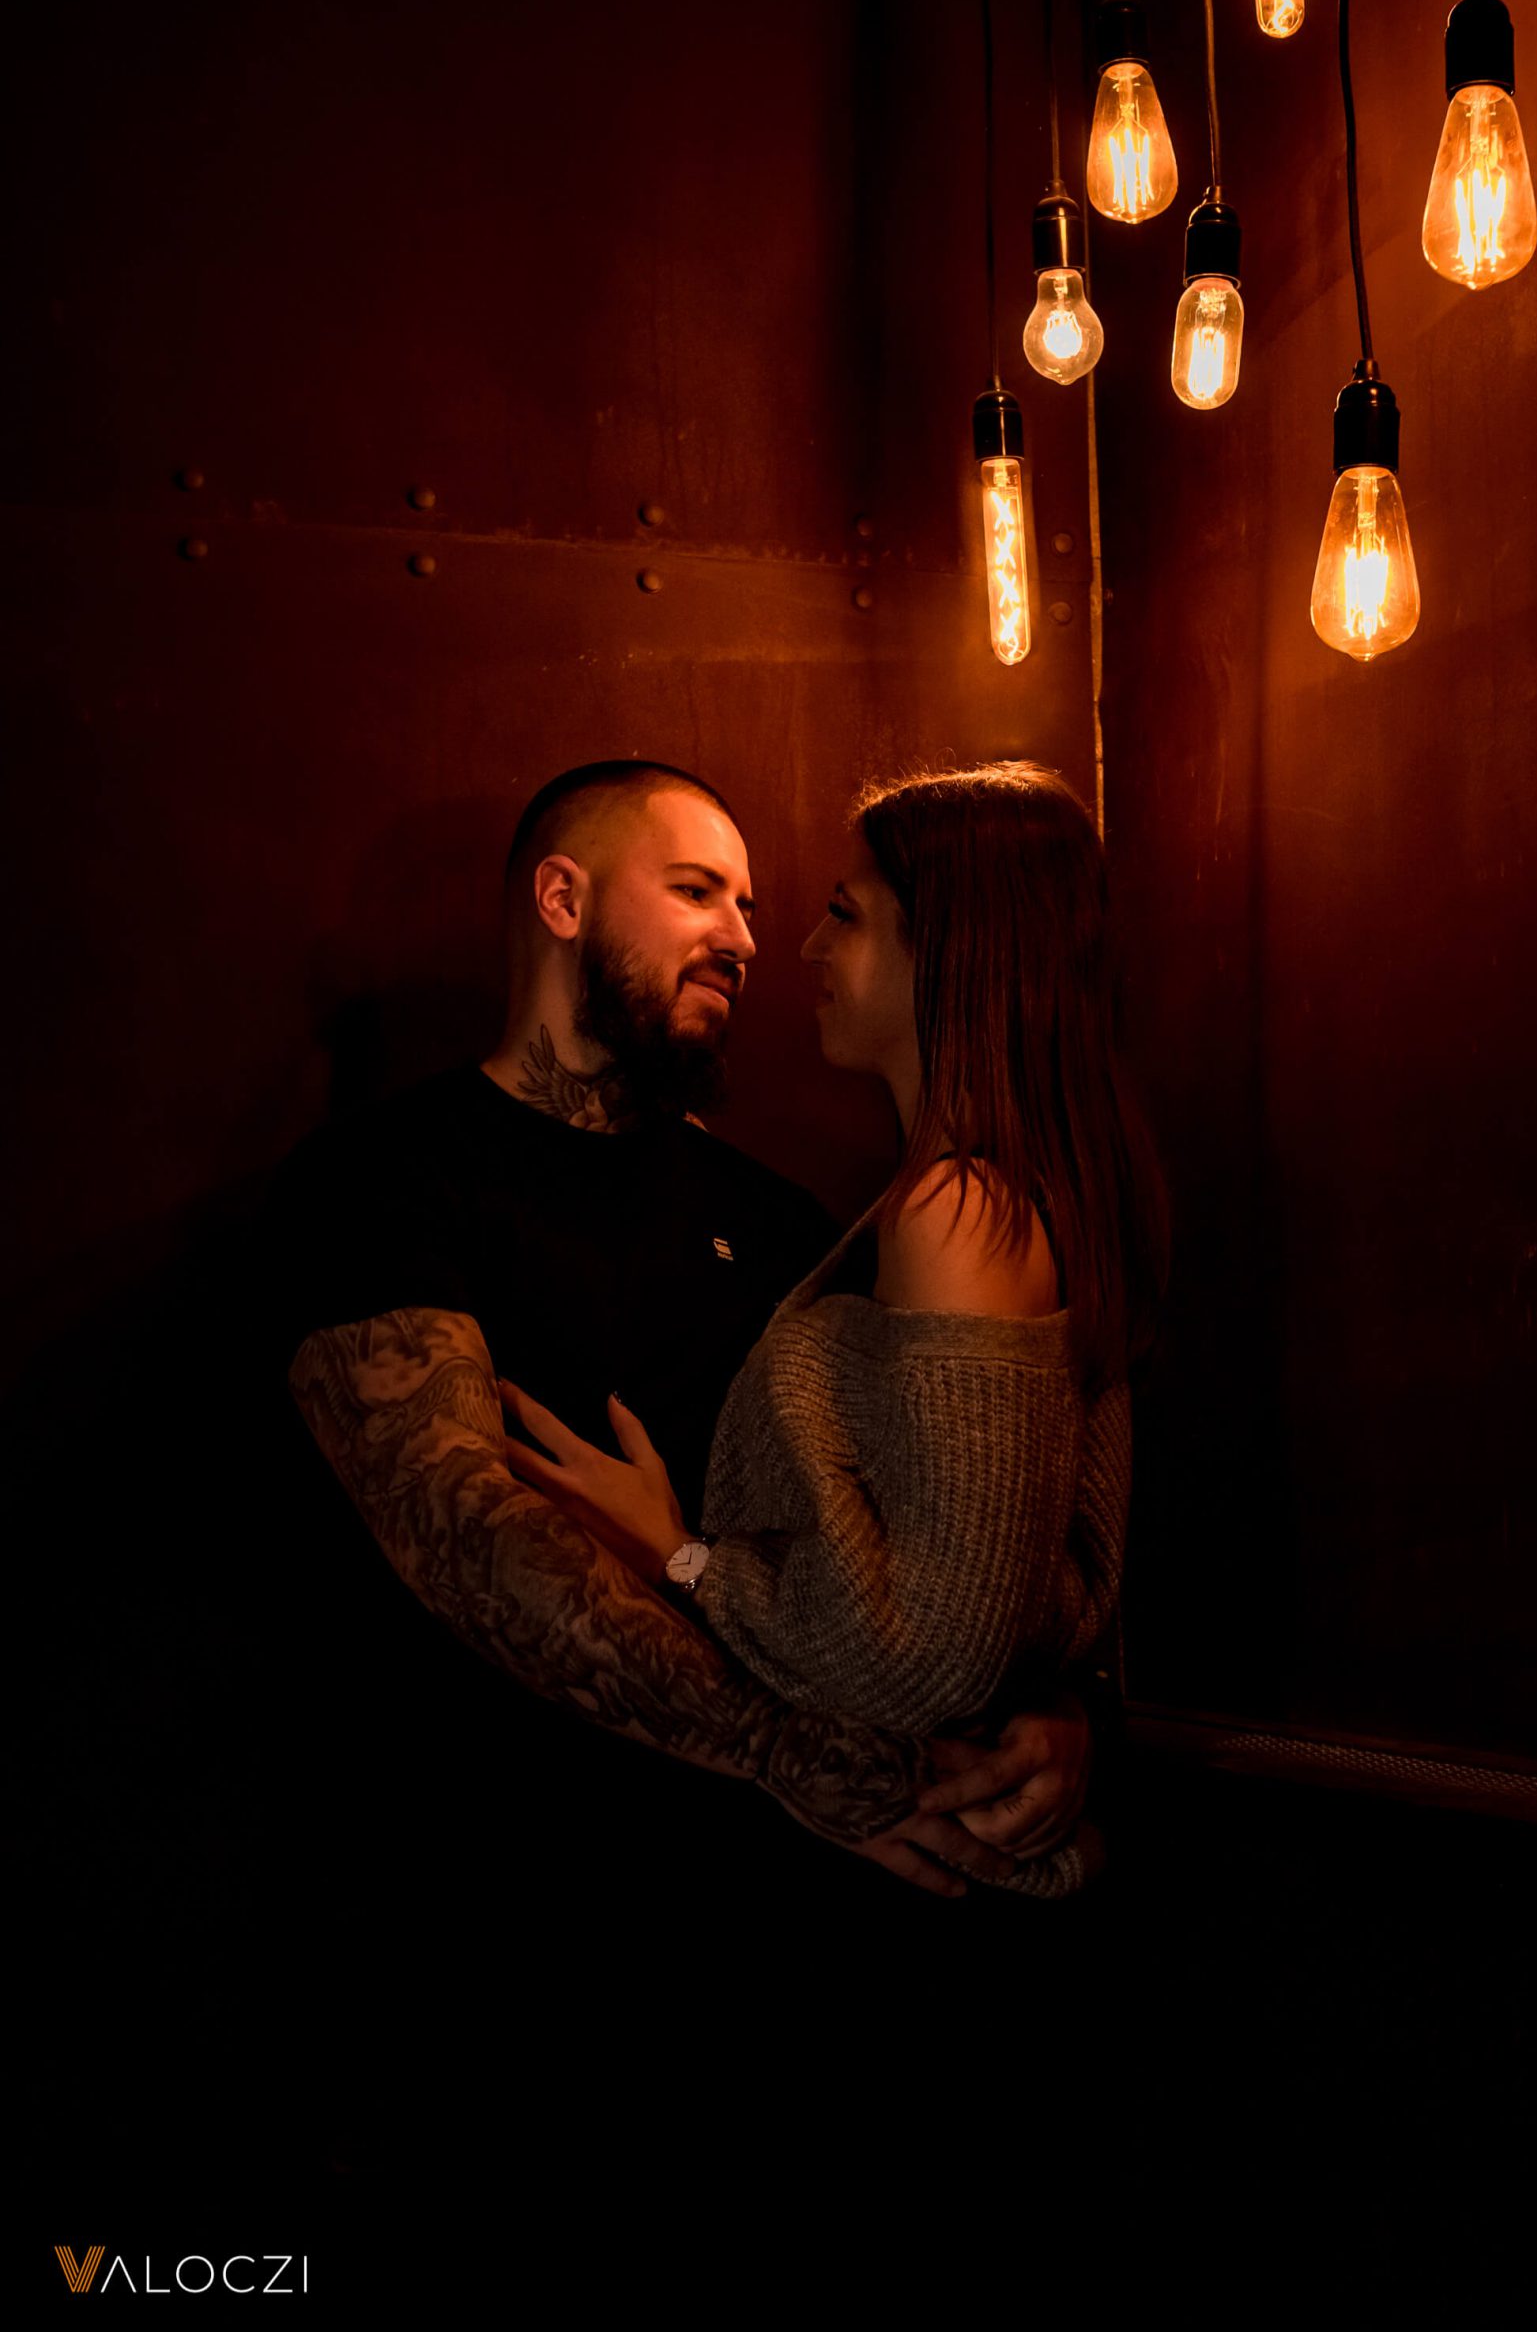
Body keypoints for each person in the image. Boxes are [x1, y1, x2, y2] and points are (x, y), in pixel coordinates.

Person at [273, 759, 1101, 1964]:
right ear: (563, 899)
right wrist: (788, 1750)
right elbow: (461, 1532)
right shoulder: (384, 1177)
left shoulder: (785, 1223)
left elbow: (937, 1547)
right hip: (502, 1901)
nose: (748, 940)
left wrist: (1052, 1715)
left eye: (752, 907)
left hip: (793, 1911)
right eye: (698, 891)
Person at [495, 761, 1151, 1898]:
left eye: (842, 913)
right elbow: (998, 1586)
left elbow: (938, 1653)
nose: (788, 945)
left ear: (946, 948)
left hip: (920, 1870)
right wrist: (1058, 1703)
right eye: (699, 892)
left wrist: (680, 1555)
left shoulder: (959, 1209)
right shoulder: (960, 1200)